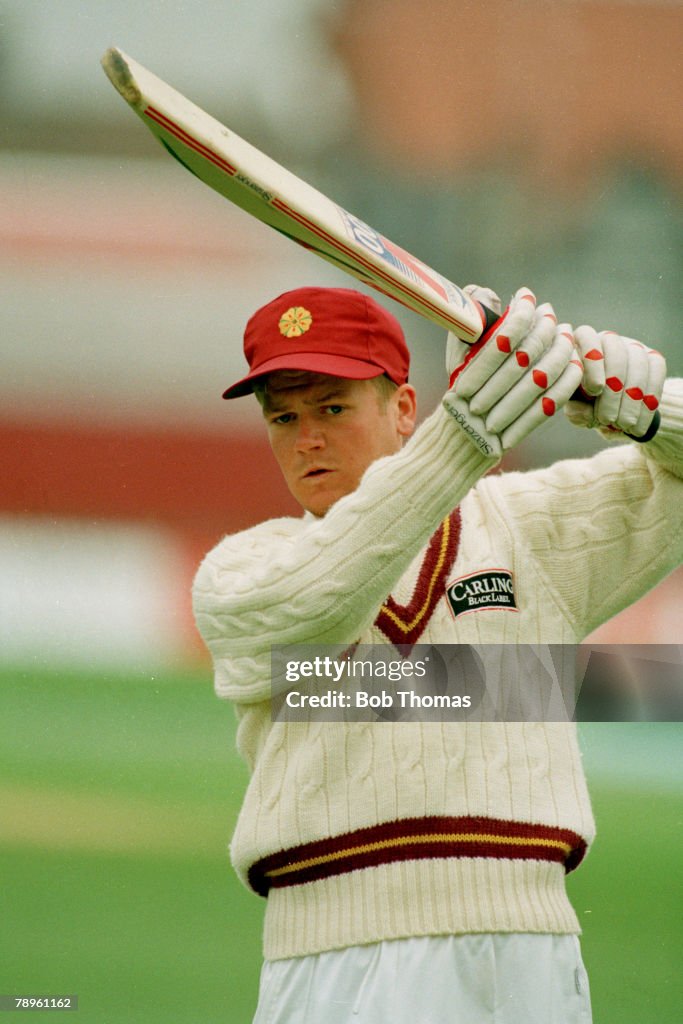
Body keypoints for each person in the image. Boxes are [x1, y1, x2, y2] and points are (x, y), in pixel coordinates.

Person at [192, 284, 683, 1023]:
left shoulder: (522, 526)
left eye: (332, 408)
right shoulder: (242, 573)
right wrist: (462, 438)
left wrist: (639, 411)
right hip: (328, 958)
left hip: (524, 947)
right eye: (282, 417)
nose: (307, 439)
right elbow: (325, 598)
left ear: (403, 411)